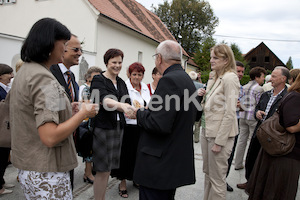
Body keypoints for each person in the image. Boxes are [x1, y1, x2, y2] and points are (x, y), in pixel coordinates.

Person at [9, 18, 98, 199]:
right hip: (46, 171)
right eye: (64, 43)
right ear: (49, 43)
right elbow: (50, 136)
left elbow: (34, 111)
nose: (65, 48)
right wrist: (83, 114)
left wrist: (68, 110)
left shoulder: (27, 71)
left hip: (32, 167)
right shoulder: (44, 79)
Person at [133, 40, 198, 200]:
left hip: (160, 163)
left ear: (159, 58)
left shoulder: (168, 80)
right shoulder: (186, 79)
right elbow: (193, 113)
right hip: (173, 160)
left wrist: (139, 113)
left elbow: (158, 124)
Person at [246, 73, 300, 200]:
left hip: (284, 152)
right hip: (285, 153)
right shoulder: (296, 97)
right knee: (276, 191)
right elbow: (291, 126)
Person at [90, 48, 135, 200]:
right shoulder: (98, 79)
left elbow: (127, 101)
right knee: (102, 170)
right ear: (106, 62)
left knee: (109, 169)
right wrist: (121, 106)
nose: (117, 65)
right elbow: (103, 100)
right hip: (103, 128)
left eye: (120, 62)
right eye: (113, 62)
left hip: (119, 128)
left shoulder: (121, 82)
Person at [237, 66, 289, 190]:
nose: (271, 79)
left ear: (283, 79)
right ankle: (249, 182)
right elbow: (257, 107)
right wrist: (257, 113)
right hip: (259, 132)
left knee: (267, 163)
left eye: (274, 76)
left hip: (274, 136)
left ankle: (262, 187)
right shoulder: (266, 94)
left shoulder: (288, 97)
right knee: (251, 158)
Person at [199, 44, 239, 200]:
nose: (211, 60)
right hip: (207, 130)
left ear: (226, 60)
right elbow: (209, 105)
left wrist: (220, 142)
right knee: (208, 174)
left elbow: (230, 113)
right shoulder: (215, 76)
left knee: (217, 180)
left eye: (215, 57)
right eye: (211, 57)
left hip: (219, 137)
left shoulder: (230, 78)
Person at [111, 62, 151, 198]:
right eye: (134, 74)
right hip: (128, 125)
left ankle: (136, 179)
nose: (137, 77)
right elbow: (124, 105)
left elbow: (149, 103)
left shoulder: (144, 87)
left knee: (139, 155)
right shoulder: (124, 86)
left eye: (140, 75)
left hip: (141, 125)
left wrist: (146, 110)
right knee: (125, 155)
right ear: (129, 74)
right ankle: (122, 183)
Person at [50, 34, 81, 189]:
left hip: (70, 140)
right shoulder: (50, 73)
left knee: (68, 186)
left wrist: (73, 107)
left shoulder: (71, 75)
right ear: (62, 49)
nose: (80, 53)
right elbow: (51, 106)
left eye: (81, 49)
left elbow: (64, 103)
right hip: (54, 143)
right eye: (76, 49)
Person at [234, 66, 266, 170]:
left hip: (242, 116)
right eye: (262, 77)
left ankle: (238, 164)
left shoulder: (244, 86)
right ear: (257, 77)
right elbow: (259, 104)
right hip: (253, 118)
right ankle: (250, 166)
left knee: (241, 141)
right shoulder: (259, 89)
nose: (263, 79)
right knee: (252, 144)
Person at [78, 66, 102, 184]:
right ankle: (87, 173)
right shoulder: (86, 89)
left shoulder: (100, 88)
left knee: (96, 147)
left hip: (100, 122)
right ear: (88, 78)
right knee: (89, 147)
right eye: (94, 78)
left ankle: (90, 169)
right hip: (90, 122)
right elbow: (89, 106)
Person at [226, 60, 245, 192]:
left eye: (242, 72)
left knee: (230, 153)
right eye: (238, 71)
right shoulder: (225, 83)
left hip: (235, 122)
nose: (240, 74)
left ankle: (223, 179)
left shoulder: (242, 88)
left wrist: (240, 105)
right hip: (223, 122)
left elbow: (244, 107)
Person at [0, 64, 14, 196]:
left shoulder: (5, 88)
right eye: (9, 73)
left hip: (6, 127)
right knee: (1, 158)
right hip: (2, 128)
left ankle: (2, 181)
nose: (12, 76)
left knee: (4, 158)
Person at [188, 70, 204, 143]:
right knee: (197, 124)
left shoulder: (187, 84)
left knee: (189, 124)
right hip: (198, 106)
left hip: (189, 107)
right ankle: (196, 139)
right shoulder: (200, 85)